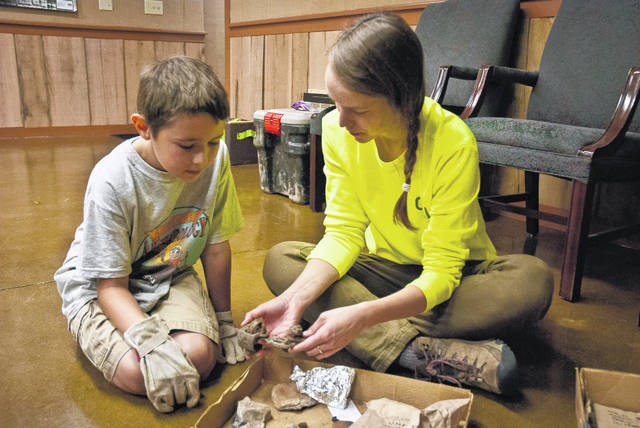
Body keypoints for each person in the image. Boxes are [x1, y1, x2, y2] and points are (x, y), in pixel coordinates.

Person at [243, 13, 554, 395]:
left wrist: (361, 315)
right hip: (386, 271)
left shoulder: (453, 141)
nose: (341, 121)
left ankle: (370, 335)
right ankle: (417, 353)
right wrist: (294, 301)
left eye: (356, 110)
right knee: (283, 261)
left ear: (402, 98)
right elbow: (343, 233)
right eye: (336, 104)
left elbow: (442, 274)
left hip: (459, 279)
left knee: (532, 281)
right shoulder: (336, 133)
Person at [54, 55, 247, 413]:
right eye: (187, 146)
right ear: (143, 127)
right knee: (138, 372)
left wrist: (225, 323)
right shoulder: (112, 179)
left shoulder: (215, 158)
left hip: (168, 272)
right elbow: (110, 287)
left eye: (213, 142)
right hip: (103, 286)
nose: (201, 160)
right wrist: (150, 342)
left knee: (201, 356)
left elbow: (216, 246)